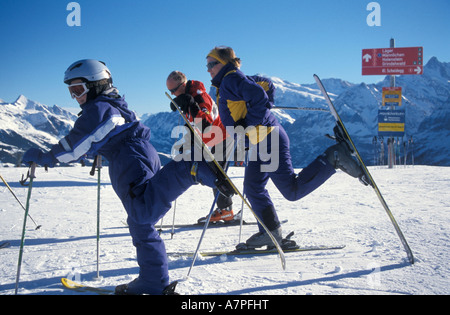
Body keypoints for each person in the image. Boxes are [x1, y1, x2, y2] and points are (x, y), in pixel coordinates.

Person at [22, 59, 233, 295]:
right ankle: (153, 278)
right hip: (136, 154)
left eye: (78, 90)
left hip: (129, 159)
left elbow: (75, 146)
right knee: (140, 223)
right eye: (71, 92)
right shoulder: (110, 103)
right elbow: (104, 133)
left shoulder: (97, 109)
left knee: (142, 212)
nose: (75, 97)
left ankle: (189, 169)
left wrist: (45, 156)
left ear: (96, 85)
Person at [206, 46, 365, 248]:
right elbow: (267, 84)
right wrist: (258, 114)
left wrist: (248, 122)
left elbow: (259, 97)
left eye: (212, 64)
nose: (209, 69)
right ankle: (270, 233)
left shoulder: (231, 79)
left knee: (292, 190)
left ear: (225, 63)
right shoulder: (233, 78)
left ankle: (334, 158)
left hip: (267, 138)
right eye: (207, 64)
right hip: (261, 140)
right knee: (253, 188)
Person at [166, 71, 235, 223]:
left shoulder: (200, 97)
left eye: (174, 91)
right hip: (207, 138)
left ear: (183, 85)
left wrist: (191, 104)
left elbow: (206, 126)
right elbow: (193, 124)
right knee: (197, 166)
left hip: (222, 135)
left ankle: (226, 211)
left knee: (217, 174)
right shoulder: (186, 96)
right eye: (170, 92)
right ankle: (224, 209)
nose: (173, 94)